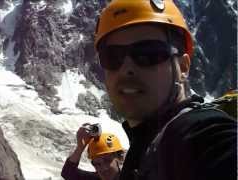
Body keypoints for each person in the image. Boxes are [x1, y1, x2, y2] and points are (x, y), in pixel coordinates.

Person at [93, 0, 237, 180]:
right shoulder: (144, 145)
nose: (126, 68)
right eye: (112, 57)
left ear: (183, 67)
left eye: (148, 54)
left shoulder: (204, 137)